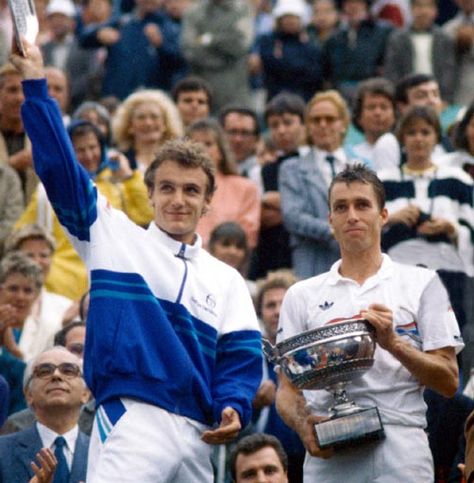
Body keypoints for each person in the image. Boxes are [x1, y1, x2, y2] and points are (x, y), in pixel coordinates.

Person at [11, 40, 262, 482]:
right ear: (150, 194)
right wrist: (35, 85)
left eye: (190, 190)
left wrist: (232, 405)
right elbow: (60, 171)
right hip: (132, 418)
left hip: (200, 433)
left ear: (208, 203)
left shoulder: (228, 280)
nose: (177, 200)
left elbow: (240, 361)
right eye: (166, 188)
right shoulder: (112, 236)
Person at [275, 164, 462, 482]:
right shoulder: (300, 295)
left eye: (362, 205)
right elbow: (288, 389)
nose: (352, 216)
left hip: (401, 445)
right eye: (341, 207)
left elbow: (448, 381)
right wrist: (303, 424)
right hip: (329, 449)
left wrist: (393, 344)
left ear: (384, 215)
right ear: (330, 220)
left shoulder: (423, 283)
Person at [15, 119, 153, 301]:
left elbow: (147, 214)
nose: (88, 156)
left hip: (108, 281)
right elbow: (20, 235)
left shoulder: (118, 185)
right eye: (80, 150)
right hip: (60, 287)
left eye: (93, 147)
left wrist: (128, 176)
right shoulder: (49, 191)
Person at [379, 106, 474, 330]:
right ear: (402, 138)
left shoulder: (457, 179)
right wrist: (392, 218)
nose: (418, 139)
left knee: (449, 335)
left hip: (448, 272)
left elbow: (470, 225)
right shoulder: (383, 181)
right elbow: (369, 225)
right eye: (412, 133)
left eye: (425, 132)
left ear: (436, 137)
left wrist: (450, 228)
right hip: (398, 273)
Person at [279, 90, 361, 279]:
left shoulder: (362, 166)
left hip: (355, 259)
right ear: (308, 126)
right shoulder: (291, 168)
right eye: (316, 120)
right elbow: (293, 216)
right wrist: (334, 230)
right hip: (312, 261)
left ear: (343, 124)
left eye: (330, 119)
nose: (323, 125)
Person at [0, 346, 90, 482]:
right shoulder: (2, 451)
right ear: (29, 394)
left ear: (85, 393)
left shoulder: (104, 452)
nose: (56, 376)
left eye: (68, 370)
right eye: (45, 371)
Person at [253, 270, 305, 482]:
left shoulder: (313, 354)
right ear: (260, 312)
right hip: (263, 465)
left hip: (308, 457)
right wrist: (253, 405)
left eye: (283, 303)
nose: (277, 311)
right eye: (270, 305)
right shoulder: (249, 355)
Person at [186, 118, 261, 249]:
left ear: (221, 151)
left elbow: (248, 235)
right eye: (194, 144)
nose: (201, 150)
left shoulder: (246, 188)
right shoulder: (176, 189)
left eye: (208, 144)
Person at [180, 0, 254, 112]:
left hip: (235, 92)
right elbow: (190, 50)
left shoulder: (242, 9)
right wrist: (224, 59)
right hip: (202, 92)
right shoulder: (194, 12)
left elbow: (240, 45)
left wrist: (209, 39)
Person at [383, 0, 456, 103]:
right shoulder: (397, 38)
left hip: (437, 100)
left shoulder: (445, 38)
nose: (424, 11)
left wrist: (444, 99)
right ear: (411, 9)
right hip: (407, 99)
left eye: (428, 6)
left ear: (435, 11)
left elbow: (448, 73)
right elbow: (392, 72)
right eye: (419, 6)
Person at [112, 89, 183, 173]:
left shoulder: (178, 160)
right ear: (129, 125)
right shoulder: (118, 160)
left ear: (165, 123)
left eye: (154, 116)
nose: (148, 123)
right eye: (141, 117)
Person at [351, 77, 396, 166]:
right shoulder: (348, 157)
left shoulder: (406, 154)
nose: (377, 113)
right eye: (371, 107)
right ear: (359, 116)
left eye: (384, 107)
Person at [219, 106, 260, 178]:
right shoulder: (208, 174)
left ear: (256, 139)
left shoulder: (264, 175)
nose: (238, 139)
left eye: (245, 133)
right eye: (232, 132)